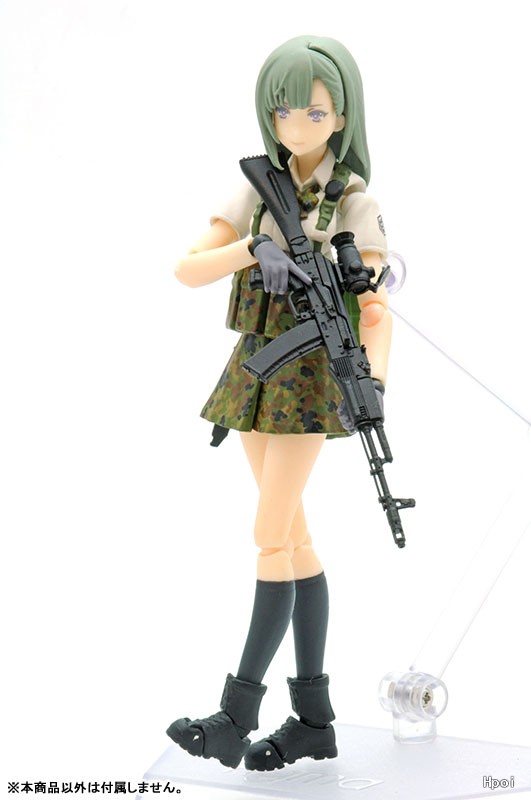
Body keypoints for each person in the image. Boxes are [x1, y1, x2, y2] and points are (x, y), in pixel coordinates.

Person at [167, 35, 390, 771]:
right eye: (283, 111)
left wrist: (375, 384)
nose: (296, 126)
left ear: (341, 116)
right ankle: (313, 722)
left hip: (310, 379)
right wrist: (253, 249)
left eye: (315, 113)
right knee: (291, 540)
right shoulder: (257, 187)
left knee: (270, 533)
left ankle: (236, 714)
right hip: (254, 369)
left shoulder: (352, 200)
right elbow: (187, 269)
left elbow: (374, 309)